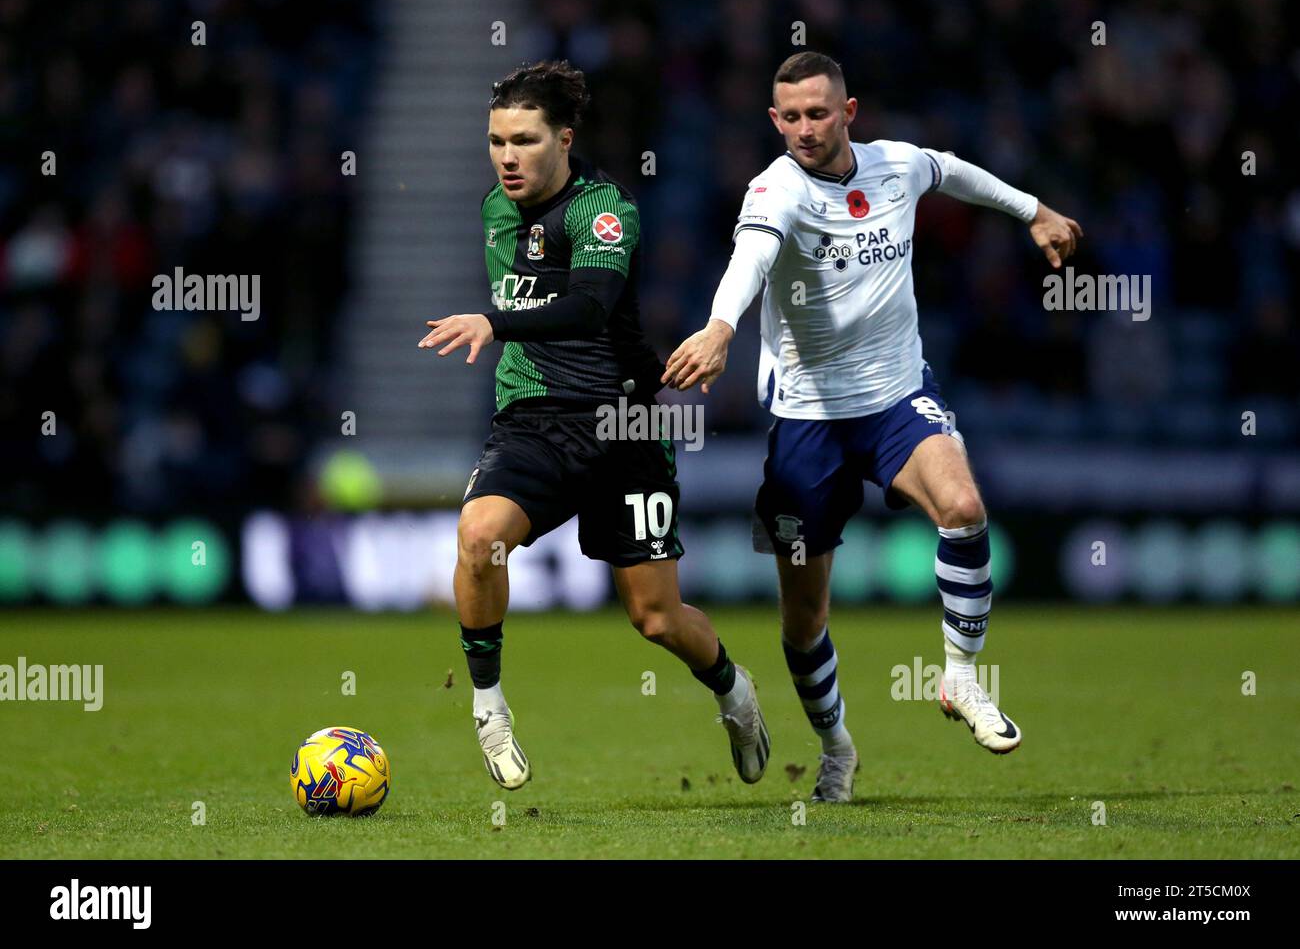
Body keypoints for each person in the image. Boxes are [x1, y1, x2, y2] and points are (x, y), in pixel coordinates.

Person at [663, 51, 1083, 802]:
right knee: (803, 620)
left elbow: (954, 171)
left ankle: (959, 680)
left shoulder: (896, 165)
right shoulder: (775, 189)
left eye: (818, 113)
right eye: (789, 116)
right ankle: (837, 749)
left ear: (848, 112)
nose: (803, 129)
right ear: (773, 119)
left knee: (962, 508)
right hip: (807, 420)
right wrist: (722, 327)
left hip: (895, 397)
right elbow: (749, 258)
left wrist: (1036, 212)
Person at [419, 60, 770, 790]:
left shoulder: (604, 209)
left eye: (524, 140)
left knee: (657, 619)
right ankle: (489, 708)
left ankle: (735, 692)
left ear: (565, 138)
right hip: (533, 420)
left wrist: (493, 319)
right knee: (480, 538)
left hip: (625, 424)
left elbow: (587, 309)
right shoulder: (493, 210)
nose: (507, 157)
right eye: (496, 141)